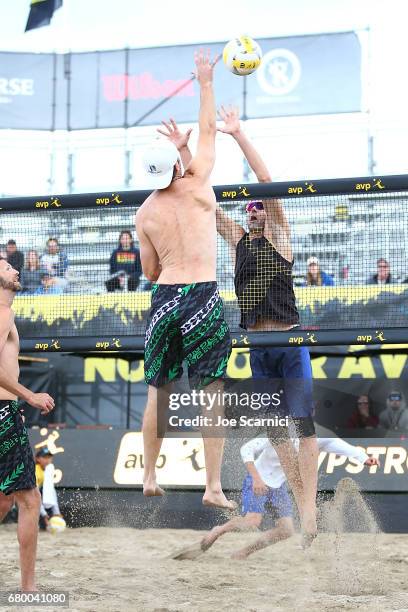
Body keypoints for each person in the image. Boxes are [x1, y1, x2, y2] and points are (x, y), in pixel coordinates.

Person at [160, 107, 319, 542]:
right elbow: (203, 199)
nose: (255, 212)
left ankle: (308, 511)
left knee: (304, 427)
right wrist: (185, 151)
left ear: (267, 214)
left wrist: (237, 135)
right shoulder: (238, 244)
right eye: (249, 210)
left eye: (259, 209)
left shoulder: (280, 236)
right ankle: (303, 499)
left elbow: (267, 183)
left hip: (288, 342)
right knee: (275, 430)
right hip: (257, 346)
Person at [135, 50, 233, 510]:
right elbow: (210, 130)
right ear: (176, 164)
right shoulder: (197, 186)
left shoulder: (144, 212)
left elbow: (149, 272)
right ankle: (212, 486)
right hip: (201, 296)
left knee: (159, 389)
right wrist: (206, 82)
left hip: (164, 298)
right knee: (210, 390)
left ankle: (150, 476)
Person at [171, 435, 379, 561]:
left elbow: (335, 444)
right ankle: (218, 531)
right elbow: (247, 449)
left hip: (278, 485)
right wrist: (256, 478)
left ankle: (243, 553)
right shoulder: (279, 430)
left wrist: (362, 458)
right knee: (252, 522)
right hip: (257, 480)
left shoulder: (311, 436)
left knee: (286, 530)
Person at [0, 258, 55, 591]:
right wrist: (29, 396)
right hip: (3, 412)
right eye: (6, 268)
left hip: (6, 409)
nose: (15, 271)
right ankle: (28, 588)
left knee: (6, 499)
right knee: (30, 500)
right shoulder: (2, 312)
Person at [35, 448, 62, 530]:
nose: (47, 460)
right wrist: (44, 514)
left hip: (37, 496)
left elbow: (51, 493)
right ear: (38, 459)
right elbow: (34, 495)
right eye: (44, 457)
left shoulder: (48, 470)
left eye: (49, 457)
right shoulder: (35, 470)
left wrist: (57, 513)